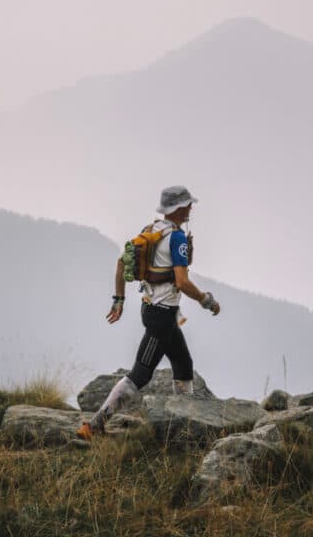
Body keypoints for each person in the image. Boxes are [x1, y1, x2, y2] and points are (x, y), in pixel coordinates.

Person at [76, 185, 221, 440]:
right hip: (162, 316)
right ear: (178, 208)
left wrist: (119, 299)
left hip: (153, 309)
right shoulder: (175, 238)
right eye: (188, 204)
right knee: (140, 374)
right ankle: (95, 424)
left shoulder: (151, 230)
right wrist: (206, 300)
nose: (191, 208)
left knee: (184, 365)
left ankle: (183, 424)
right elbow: (182, 282)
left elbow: (122, 262)